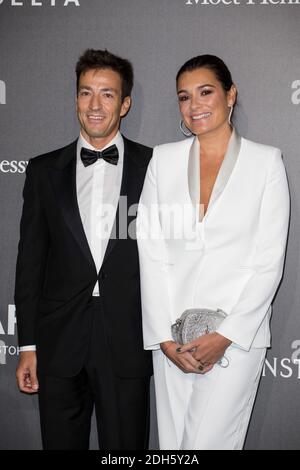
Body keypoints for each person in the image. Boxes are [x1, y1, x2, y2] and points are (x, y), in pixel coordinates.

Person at [136, 54, 290, 450]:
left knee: (211, 444)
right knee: (175, 448)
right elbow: (151, 252)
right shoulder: (162, 160)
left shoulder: (266, 162)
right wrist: (163, 340)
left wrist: (226, 335)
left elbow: (268, 261)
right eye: (184, 97)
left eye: (205, 92)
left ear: (230, 95)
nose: (195, 105)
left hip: (236, 338)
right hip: (174, 341)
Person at [15, 49, 153, 450]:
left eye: (107, 95)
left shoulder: (155, 166)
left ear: (125, 104)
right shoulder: (43, 171)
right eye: (86, 93)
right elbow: (30, 264)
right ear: (75, 99)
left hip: (127, 339)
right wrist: (27, 345)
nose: (95, 105)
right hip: (58, 343)